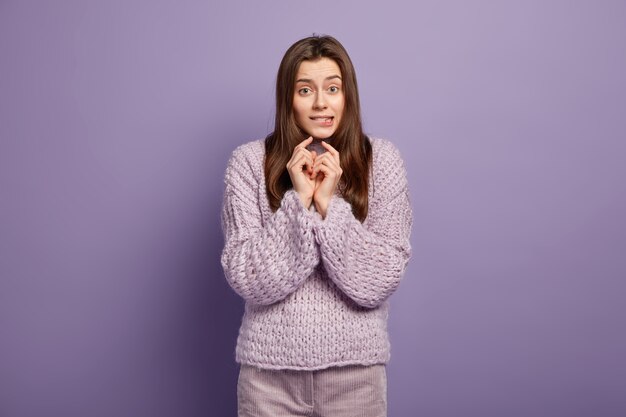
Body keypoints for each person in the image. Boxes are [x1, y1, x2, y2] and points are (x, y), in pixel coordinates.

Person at [220, 35, 412, 417]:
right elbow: (247, 277)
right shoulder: (247, 164)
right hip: (268, 383)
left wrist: (328, 206)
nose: (321, 103)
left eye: (333, 89)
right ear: (287, 98)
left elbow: (380, 280)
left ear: (347, 96)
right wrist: (298, 202)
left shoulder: (383, 162)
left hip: (356, 379)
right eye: (305, 89)